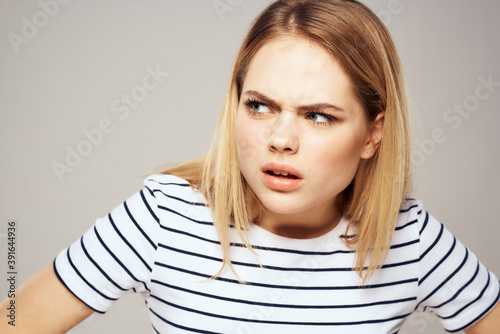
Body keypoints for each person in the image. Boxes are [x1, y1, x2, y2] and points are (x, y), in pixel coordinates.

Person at [1, 0, 499, 333]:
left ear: (373, 133)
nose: (280, 139)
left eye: (319, 115)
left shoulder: (406, 238)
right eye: (259, 106)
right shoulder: (164, 217)